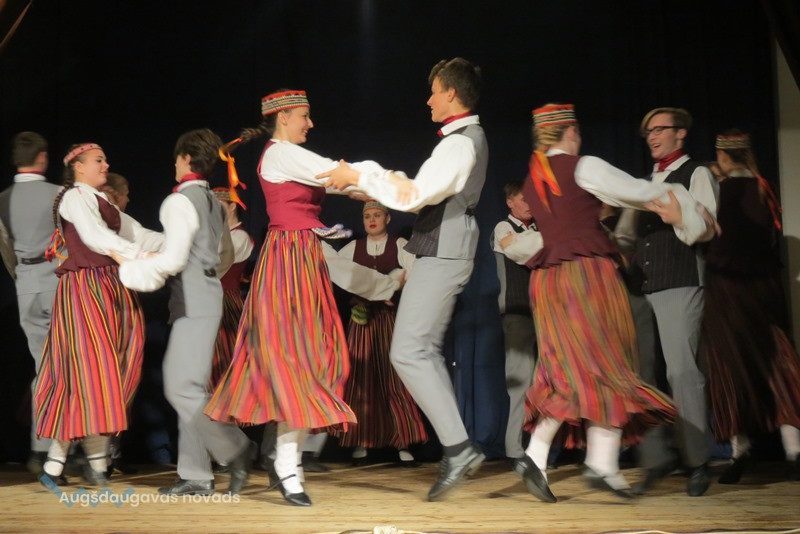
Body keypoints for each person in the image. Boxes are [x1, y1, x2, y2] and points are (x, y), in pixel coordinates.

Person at [513, 103, 714, 501]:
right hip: (585, 278)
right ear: (571, 132)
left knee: (575, 370)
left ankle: (582, 461)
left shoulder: (534, 179)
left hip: (549, 281)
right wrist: (686, 207)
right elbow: (640, 191)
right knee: (605, 365)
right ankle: (569, 459)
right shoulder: (582, 166)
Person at [204, 89, 386, 506]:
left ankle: (285, 459)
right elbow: (332, 172)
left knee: (313, 357)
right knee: (295, 357)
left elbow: (336, 183)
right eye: (305, 116)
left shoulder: (289, 157)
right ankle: (287, 464)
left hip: (303, 256)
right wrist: (379, 179)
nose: (311, 123)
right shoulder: (281, 154)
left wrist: (366, 188)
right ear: (284, 117)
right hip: (287, 257)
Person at [320, 57, 488, 501]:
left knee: (409, 351)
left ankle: (459, 448)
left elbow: (414, 196)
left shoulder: (459, 145)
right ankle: (459, 446)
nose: (429, 100)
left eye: (433, 92)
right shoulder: (457, 142)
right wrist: (356, 185)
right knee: (421, 351)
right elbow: (417, 193)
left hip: (444, 252)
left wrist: (361, 174)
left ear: (451, 93)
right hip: (442, 250)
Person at [117, 129, 253, 496]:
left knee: (181, 388)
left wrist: (134, 270)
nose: (174, 164)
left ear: (186, 159)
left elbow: (174, 258)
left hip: (192, 300)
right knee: (191, 388)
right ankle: (196, 473)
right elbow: (225, 254)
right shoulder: (213, 201)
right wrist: (204, 274)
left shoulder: (178, 201)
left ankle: (236, 448)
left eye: (176, 159)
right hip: (206, 296)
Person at [34, 142, 162, 486]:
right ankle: (75, 463)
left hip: (110, 287)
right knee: (90, 373)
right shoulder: (75, 197)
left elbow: (140, 234)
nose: (105, 165)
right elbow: (95, 237)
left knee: (112, 373)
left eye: (105, 159)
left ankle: (79, 464)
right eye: (98, 160)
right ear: (78, 166)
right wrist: (138, 256)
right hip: (85, 288)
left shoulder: (100, 199)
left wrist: (177, 246)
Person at [626, 107, 719, 497]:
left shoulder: (696, 174)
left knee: (682, 371)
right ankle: (656, 458)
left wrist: (677, 215)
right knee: (643, 375)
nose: (652, 136)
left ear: (681, 133)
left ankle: (697, 461)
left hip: (679, 280)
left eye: (659, 129)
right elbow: (626, 235)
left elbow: (706, 228)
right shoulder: (646, 181)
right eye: (648, 131)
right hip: (641, 287)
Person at [700, 130, 800, 483]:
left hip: (727, 289)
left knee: (731, 366)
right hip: (764, 288)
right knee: (777, 362)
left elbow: (707, 233)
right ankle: (793, 449)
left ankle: (740, 450)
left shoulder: (719, 191)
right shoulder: (762, 187)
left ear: (724, 156)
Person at [333, 201, 427, 466]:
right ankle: (362, 440)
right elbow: (337, 273)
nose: (371, 220)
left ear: (387, 218)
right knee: (362, 379)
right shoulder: (353, 248)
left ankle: (402, 441)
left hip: (389, 320)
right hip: (362, 321)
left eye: (376, 215)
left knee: (392, 378)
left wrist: (395, 285)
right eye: (367, 216)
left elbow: (415, 272)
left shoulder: (399, 245)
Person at [0, 132, 60, 474]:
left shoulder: (3, 200)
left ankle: (43, 448)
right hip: (58, 282)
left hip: (26, 282)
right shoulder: (58, 194)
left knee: (44, 365)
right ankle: (59, 450)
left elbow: (5, 246)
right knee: (67, 364)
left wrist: (22, 274)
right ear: (42, 157)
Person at [492, 182, 538, 461]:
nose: (530, 203)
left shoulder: (539, 229)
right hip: (517, 312)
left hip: (544, 314)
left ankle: (542, 450)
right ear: (510, 201)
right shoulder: (503, 227)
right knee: (520, 382)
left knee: (546, 382)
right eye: (524, 198)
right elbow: (519, 252)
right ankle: (515, 449)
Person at [209, 187, 254, 390]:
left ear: (232, 206)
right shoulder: (216, 236)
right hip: (209, 301)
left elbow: (216, 264)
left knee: (225, 359)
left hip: (225, 303)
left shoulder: (240, 237)